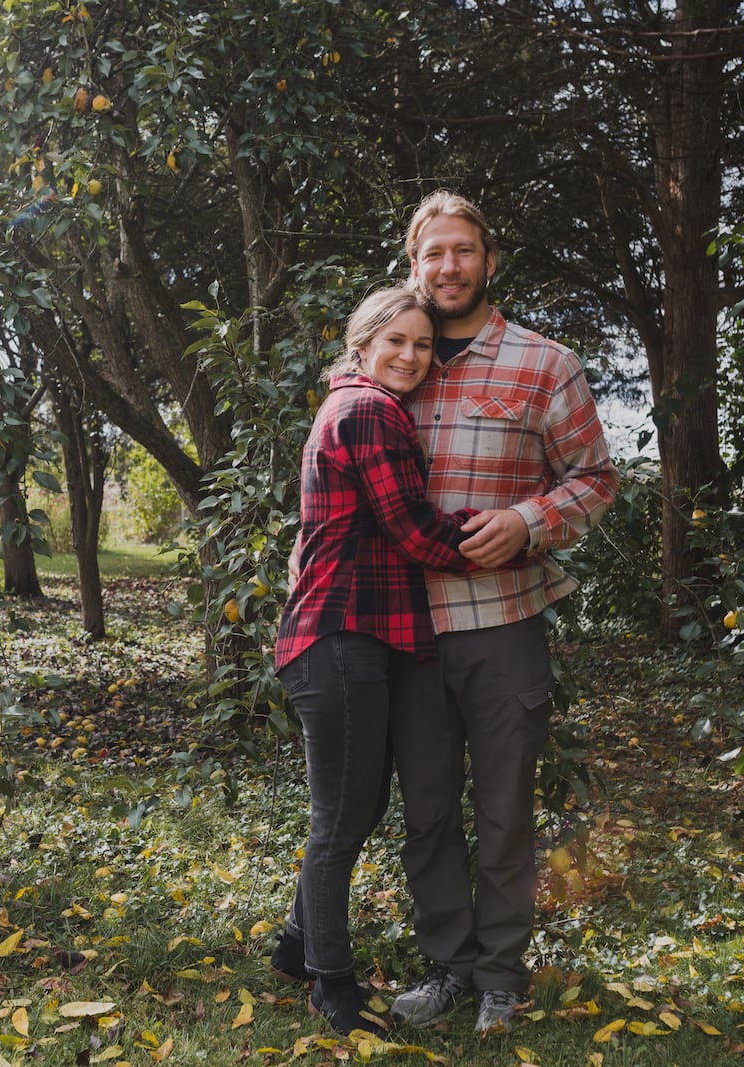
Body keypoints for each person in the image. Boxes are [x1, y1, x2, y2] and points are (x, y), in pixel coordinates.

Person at [387, 190, 619, 1034]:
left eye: (462, 250)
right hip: (403, 628)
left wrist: (529, 521)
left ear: (488, 258)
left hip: (506, 618)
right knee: (427, 810)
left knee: (505, 807)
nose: (448, 267)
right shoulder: (392, 360)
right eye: (432, 254)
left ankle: (501, 976)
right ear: (413, 266)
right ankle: (447, 967)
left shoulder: (543, 363)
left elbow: (595, 477)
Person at [269, 287, 488, 1038]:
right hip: (339, 638)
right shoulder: (366, 410)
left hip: (346, 639)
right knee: (340, 822)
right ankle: (334, 986)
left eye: (423, 345)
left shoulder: (359, 406)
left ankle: (299, 945)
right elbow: (414, 532)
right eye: (395, 339)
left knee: (349, 813)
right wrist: (507, 532)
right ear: (362, 343)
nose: (410, 355)